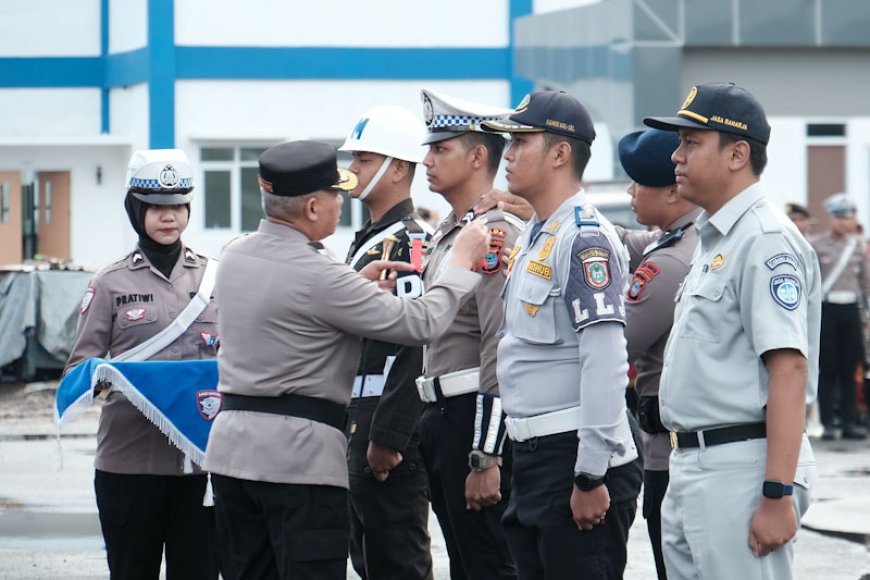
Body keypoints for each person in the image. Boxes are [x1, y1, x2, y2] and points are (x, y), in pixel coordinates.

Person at [202, 140, 491, 580]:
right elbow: (421, 324)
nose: (342, 203)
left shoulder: (235, 255)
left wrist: (355, 286)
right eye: (336, 196)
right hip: (298, 462)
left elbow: (291, 317)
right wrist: (461, 263)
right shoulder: (320, 273)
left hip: (230, 455)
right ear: (314, 208)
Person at [644, 82, 820, 579]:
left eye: (691, 143)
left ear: (737, 153)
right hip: (695, 464)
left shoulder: (764, 240)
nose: (675, 156)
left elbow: (789, 370)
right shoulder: (716, 237)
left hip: (741, 466)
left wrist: (776, 493)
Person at [480, 90, 642, 579]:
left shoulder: (582, 236)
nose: (506, 155)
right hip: (533, 455)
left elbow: (605, 359)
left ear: (559, 153)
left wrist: (591, 470)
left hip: (571, 455)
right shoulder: (538, 234)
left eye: (520, 142)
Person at [66, 149, 220, 580]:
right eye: (155, 206)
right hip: (129, 465)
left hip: (200, 466)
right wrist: (107, 380)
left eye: (177, 206)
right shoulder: (110, 282)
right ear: (136, 210)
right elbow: (79, 370)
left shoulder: (215, 278)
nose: (168, 217)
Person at [417, 88, 523, 580]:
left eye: (441, 149)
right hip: (442, 415)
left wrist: (487, 453)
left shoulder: (494, 233)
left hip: (472, 418)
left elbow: (499, 344)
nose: (427, 161)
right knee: (463, 561)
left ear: (479, 155)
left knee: (486, 562)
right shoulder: (456, 231)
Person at [338, 105, 435, 580]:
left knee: (396, 561)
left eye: (364, 160)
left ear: (399, 168)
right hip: (357, 423)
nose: (352, 170)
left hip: (383, 431)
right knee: (368, 558)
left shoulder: (409, 243)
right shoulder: (371, 239)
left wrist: (389, 436)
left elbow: (414, 344)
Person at [614, 129, 701, 580]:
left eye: (638, 182)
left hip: (667, 455)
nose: (630, 191)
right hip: (668, 447)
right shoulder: (679, 241)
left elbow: (615, 346)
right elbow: (628, 240)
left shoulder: (668, 262)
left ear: (672, 191)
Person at [810, 193, 870, 440]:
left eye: (848, 217)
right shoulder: (817, 244)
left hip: (851, 310)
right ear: (831, 218)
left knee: (850, 368)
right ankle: (827, 424)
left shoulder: (858, 246)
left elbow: (865, 282)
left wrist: (867, 313)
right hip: (827, 310)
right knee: (828, 369)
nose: (844, 222)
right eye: (839, 217)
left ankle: (849, 423)